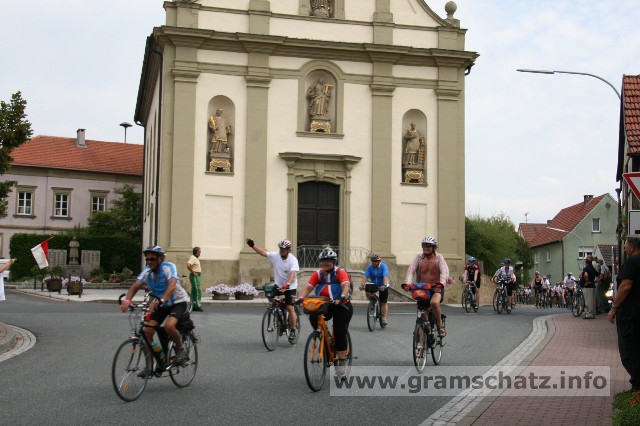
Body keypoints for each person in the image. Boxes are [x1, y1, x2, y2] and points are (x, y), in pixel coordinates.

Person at [120, 245, 190, 364]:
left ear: (160, 259)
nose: (149, 262)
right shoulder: (147, 271)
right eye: (147, 259)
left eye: (152, 259)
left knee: (169, 326)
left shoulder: (168, 267)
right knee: (147, 332)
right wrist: (127, 300)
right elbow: (135, 286)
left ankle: (180, 350)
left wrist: (162, 300)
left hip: (177, 302)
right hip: (161, 304)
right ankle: (154, 363)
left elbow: (172, 285)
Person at [298, 247, 352, 377]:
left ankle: (341, 361)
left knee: (339, 332)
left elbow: (346, 285)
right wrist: (300, 298)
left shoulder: (340, 272)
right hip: (325, 304)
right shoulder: (318, 274)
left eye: (328, 261)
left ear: (334, 262)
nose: (325, 263)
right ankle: (321, 335)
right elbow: (308, 287)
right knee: (313, 315)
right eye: (323, 261)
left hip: (341, 305)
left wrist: (342, 296)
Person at [246, 238, 300, 342]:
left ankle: (293, 330)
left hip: (290, 286)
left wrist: (287, 284)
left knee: (290, 308)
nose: (281, 251)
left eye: (283, 249)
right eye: (280, 249)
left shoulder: (293, 260)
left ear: (288, 250)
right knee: (269, 294)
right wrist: (252, 245)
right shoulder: (276, 255)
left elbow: (293, 273)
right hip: (279, 285)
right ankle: (275, 310)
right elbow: (263, 253)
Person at [608, 236, 640, 391]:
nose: (625, 248)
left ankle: (637, 385)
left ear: (632, 247)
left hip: (630, 313)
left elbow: (626, 286)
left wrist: (614, 308)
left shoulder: (632, 262)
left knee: (629, 349)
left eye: (625, 246)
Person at [404, 236, 450, 337]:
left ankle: (440, 326)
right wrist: (407, 283)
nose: (426, 248)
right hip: (422, 288)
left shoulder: (439, 257)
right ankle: (421, 339)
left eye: (429, 246)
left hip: (436, 288)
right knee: (422, 313)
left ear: (434, 247)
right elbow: (411, 271)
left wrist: (441, 284)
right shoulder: (418, 258)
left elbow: (444, 271)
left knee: (434, 303)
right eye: (424, 246)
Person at [360, 253, 390, 325]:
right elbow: (365, 276)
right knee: (367, 289)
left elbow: (385, 276)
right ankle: (373, 302)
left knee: (383, 302)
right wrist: (362, 285)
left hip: (383, 285)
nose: (374, 262)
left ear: (379, 261)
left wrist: (384, 285)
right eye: (373, 261)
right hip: (374, 285)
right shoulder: (369, 267)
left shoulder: (383, 266)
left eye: (375, 261)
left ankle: (384, 318)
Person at [580, 255, 598, 319]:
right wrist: (596, 281)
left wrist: (587, 282)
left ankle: (589, 314)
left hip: (588, 287)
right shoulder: (592, 268)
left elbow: (586, 275)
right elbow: (600, 275)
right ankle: (593, 314)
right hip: (593, 286)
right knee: (593, 301)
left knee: (588, 302)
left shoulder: (586, 268)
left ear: (586, 262)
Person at [186, 247, 203, 312]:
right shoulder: (193, 257)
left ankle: (193, 305)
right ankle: (198, 306)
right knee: (197, 290)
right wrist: (193, 272)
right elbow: (188, 265)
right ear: (196, 252)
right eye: (199, 252)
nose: (200, 253)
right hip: (194, 276)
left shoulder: (195, 258)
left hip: (197, 276)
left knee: (194, 291)